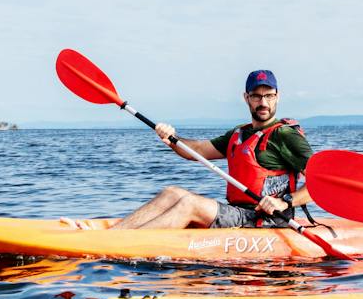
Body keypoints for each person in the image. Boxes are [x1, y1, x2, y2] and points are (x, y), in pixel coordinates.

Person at [107, 69, 315, 230]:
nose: (263, 103)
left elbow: (320, 183)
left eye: (269, 96)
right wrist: (171, 138)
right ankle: (112, 236)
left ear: (277, 96)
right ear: (246, 97)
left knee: (189, 204)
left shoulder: (286, 136)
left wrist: (284, 202)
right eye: (256, 96)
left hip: (267, 220)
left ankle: (122, 243)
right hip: (239, 213)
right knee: (171, 193)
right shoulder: (239, 134)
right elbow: (197, 150)